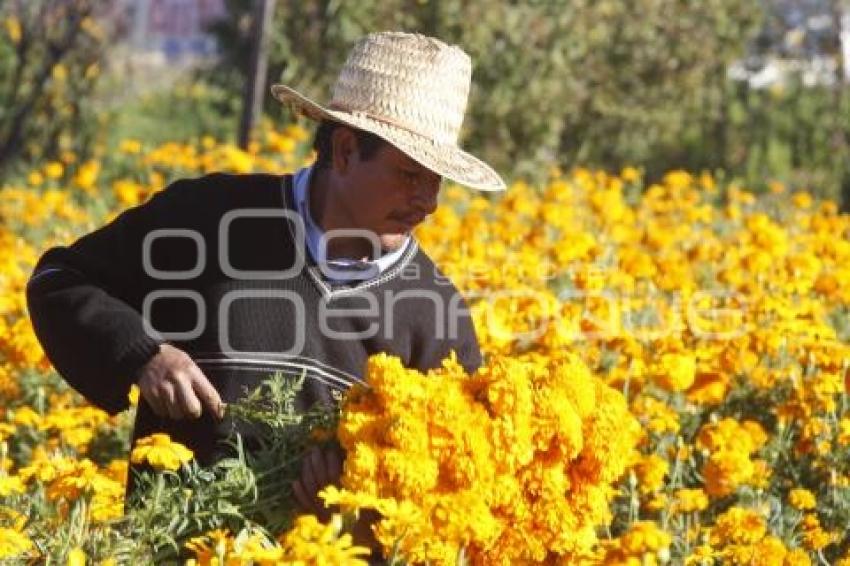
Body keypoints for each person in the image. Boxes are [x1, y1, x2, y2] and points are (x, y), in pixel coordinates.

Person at [26, 31, 505, 518]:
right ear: (343, 150)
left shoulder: (433, 311)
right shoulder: (207, 218)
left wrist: (354, 514)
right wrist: (142, 354)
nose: (429, 202)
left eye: (436, 180)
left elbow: (451, 498)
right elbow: (59, 279)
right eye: (409, 175)